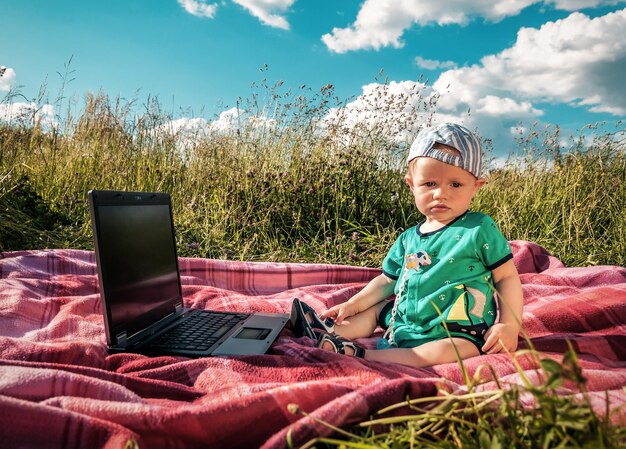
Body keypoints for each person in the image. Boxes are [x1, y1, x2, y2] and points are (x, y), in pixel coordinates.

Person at [290, 123, 524, 368]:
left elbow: (507, 277)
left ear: (476, 187)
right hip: (405, 319)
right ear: (412, 185)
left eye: (455, 184)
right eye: (429, 184)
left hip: (456, 328)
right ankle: (328, 332)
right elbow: (386, 281)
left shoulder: (478, 229)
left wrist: (508, 325)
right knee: (375, 308)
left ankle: (362, 356)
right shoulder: (408, 238)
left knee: (458, 349)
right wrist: (353, 304)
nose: (440, 194)